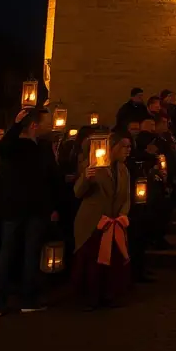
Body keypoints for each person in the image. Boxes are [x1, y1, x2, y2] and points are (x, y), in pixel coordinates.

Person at [0, 108, 61, 316]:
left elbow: (52, 177)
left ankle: (28, 298)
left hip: (37, 208)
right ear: (34, 125)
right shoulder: (15, 146)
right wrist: (16, 124)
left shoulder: (44, 147)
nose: (50, 125)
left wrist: (54, 205)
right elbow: (3, 147)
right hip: (14, 206)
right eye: (46, 121)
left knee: (32, 253)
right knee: (8, 251)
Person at [72, 131, 132, 310]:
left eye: (129, 147)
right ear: (112, 147)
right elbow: (78, 192)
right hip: (92, 222)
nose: (128, 150)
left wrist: (122, 215)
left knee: (110, 261)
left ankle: (109, 295)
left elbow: (126, 196)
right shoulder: (92, 165)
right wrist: (86, 179)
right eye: (124, 146)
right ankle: (88, 298)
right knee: (91, 262)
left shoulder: (123, 170)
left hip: (113, 222)